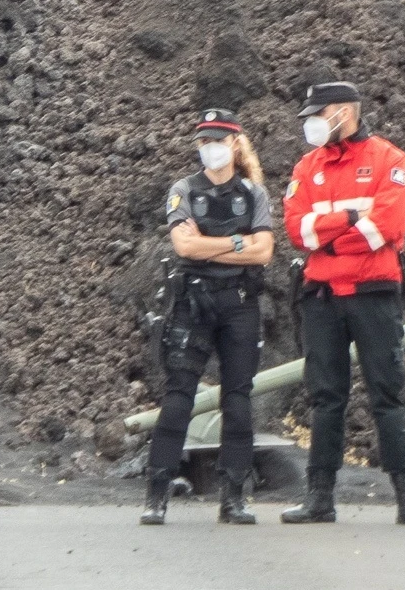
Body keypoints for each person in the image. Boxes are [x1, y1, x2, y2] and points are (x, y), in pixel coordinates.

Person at [277, 80, 405, 527]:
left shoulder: (389, 160)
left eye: (319, 114)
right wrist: (348, 221)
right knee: (325, 397)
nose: (313, 124)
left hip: (373, 294)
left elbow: (387, 223)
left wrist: (329, 242)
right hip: (322, 298)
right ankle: (319, 499)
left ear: (345, 111)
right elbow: (296, 231)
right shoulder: (307, 167)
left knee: (387, 393)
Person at [141, 109, 276, 526]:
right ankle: (156, 495)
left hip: (239, 303)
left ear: (234, 143)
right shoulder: (184, 189)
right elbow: (184, 248)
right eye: (203, 141)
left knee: (238, 397)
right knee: (179, 395)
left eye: (216, 140)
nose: (209, 148)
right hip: (192, 302)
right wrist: (237, 242)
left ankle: (233, 496)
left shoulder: (253, 193)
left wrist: (211, 243)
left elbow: (265, 252)